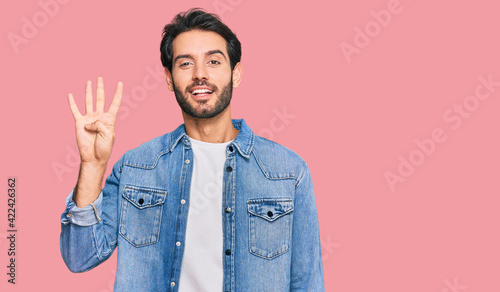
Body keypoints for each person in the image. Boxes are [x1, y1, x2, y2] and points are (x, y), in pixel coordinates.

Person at [60, 8, 324, 291]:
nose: (200, 75)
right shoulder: (137, 167)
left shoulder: (287, 171)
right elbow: (80, 256)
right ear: (169, 78)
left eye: (213, 61)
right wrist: (92, 166)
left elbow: (306, 282)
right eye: (185, 64)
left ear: (235, 74)